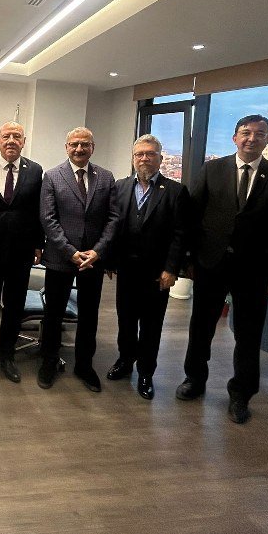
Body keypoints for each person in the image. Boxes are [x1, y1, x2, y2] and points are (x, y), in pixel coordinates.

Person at [177, 114, 268, 424]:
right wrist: (187, 259)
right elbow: (192, 216)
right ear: (235, 138)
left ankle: (241, 394)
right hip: (210, 264)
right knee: (200, 327)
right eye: (245, 132)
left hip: (255, 270)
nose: (251, 138)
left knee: (249, 334)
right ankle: (194, 379)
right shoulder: (212, 169)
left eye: (259, 133)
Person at [106, 135, 189, 399]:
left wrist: (171, 269)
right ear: (133, 158)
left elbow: (180, 234)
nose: (144, 158)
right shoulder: (120, 187)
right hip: (126, 270)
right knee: (126, 320)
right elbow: (112, 226)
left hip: (157, 274)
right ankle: (125, 361)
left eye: (150, 154)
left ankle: (145, 373)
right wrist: (110, 260)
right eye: (139, 154)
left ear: (160, 159)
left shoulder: (175, 191)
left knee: (152, 325)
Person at [37, 127, 119, 392]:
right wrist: (70, 251)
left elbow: (113, 218)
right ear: (66, 147)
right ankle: (49, 362)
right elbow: (48, 219)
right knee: (53, 313)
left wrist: (98, 251)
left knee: (89, 316)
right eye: (74, 144)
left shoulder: (105, 177)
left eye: (85, 144)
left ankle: (84, 365)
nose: (79, 149)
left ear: (92, 147)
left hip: (93, 260)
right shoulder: (52, 176)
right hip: (61, 258)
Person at [0, 121, 44, 384]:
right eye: (6, 136)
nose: (11, 140)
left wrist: (38, 244)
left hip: (20, 251)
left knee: (14, 306)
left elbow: (38, 210)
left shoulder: (35, 170)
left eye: (17, 136)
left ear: (23, 142)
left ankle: (7, 356)